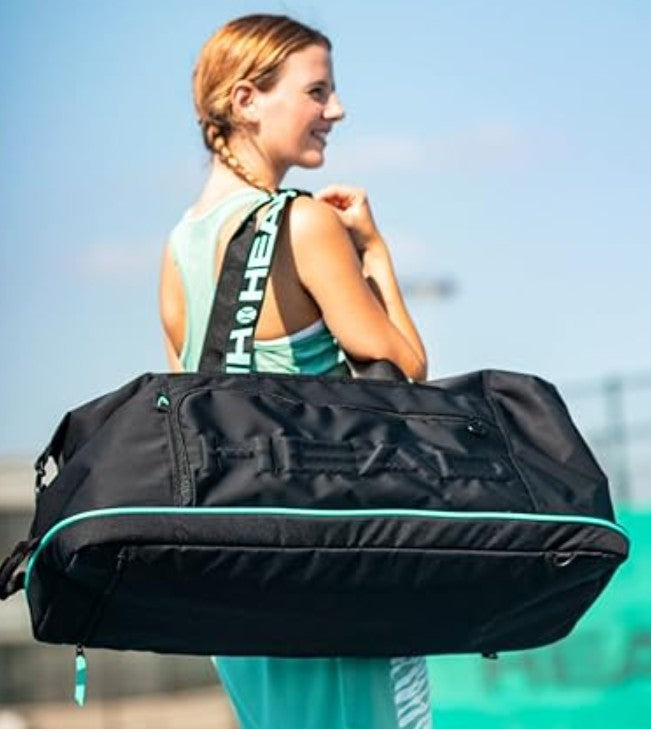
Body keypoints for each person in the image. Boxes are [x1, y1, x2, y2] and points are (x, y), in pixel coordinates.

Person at [159, 13, 431, 729]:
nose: (335, 111)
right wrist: (375, 251)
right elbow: (404, 370)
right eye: (317, 91)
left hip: (234, 570)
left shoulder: (179, 248)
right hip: (330, 557)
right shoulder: (304, 222)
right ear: (246, 99)